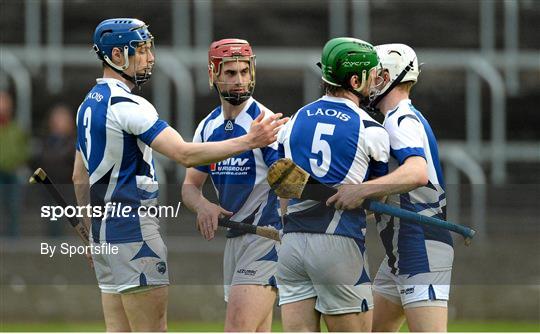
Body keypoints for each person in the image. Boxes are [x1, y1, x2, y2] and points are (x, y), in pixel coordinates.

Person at [72, 19, 287, 332]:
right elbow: (184, 154)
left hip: (108, 236)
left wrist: (92, 234)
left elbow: (79, 177)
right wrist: (248, 143)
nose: (150, 58)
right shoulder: (129, 105)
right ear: (116, 55)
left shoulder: (86, 106)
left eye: (149, 49)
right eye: (141, 50)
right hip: (135, 233)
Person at [327, 43, 453, 332]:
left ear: (387, 75)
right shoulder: (400, 118)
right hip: (400, 249)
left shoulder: (400, 119)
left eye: (373, 73)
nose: (368, 80)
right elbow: (397, 190)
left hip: (420, 245)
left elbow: (416, 173)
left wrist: (360, 190)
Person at [275, 37, 390, 332]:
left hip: (291, 245)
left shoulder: (294, 120)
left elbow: (283, 190)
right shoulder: (370, 129)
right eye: (372, 75)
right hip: (338, 244)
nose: (375, 81)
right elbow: (378, 197)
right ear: (354, 80)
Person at [182, 38, 281, 332]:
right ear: (213, 74)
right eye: (230, 73)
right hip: (236, 240)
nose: (240, 81)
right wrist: (202, 205)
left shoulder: (266, 124)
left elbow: (290, 184)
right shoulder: (207, 127)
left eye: (244, 72)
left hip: (267, 237)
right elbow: (189, 186)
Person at [38, 104, 77, 236]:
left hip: (67, 188)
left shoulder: (75, 142)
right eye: (57, 119)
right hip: (49, 188)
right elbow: (43, 160)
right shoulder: (45, 141)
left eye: (63, 119)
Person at [0, 91, 29, 237]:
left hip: (13, 172)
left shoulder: (16, 128)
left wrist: (17, 161)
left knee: (13, 206)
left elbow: (24, 149)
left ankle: (14, 238)